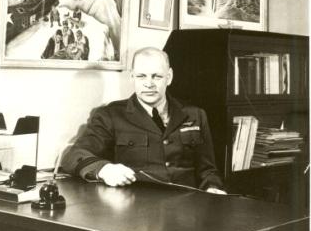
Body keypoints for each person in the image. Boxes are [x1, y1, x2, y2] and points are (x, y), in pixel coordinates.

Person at [62, 47, 225, 194]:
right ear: (132, 77)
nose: (149, 84)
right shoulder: (110, 115)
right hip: (138, 212)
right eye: (141, 76)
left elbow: (208, 170)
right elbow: (74, 156)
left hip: (188, 210)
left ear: (169, 77)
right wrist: (104, 169)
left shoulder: (195, 115)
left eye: (157, 76)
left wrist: (213, 188)